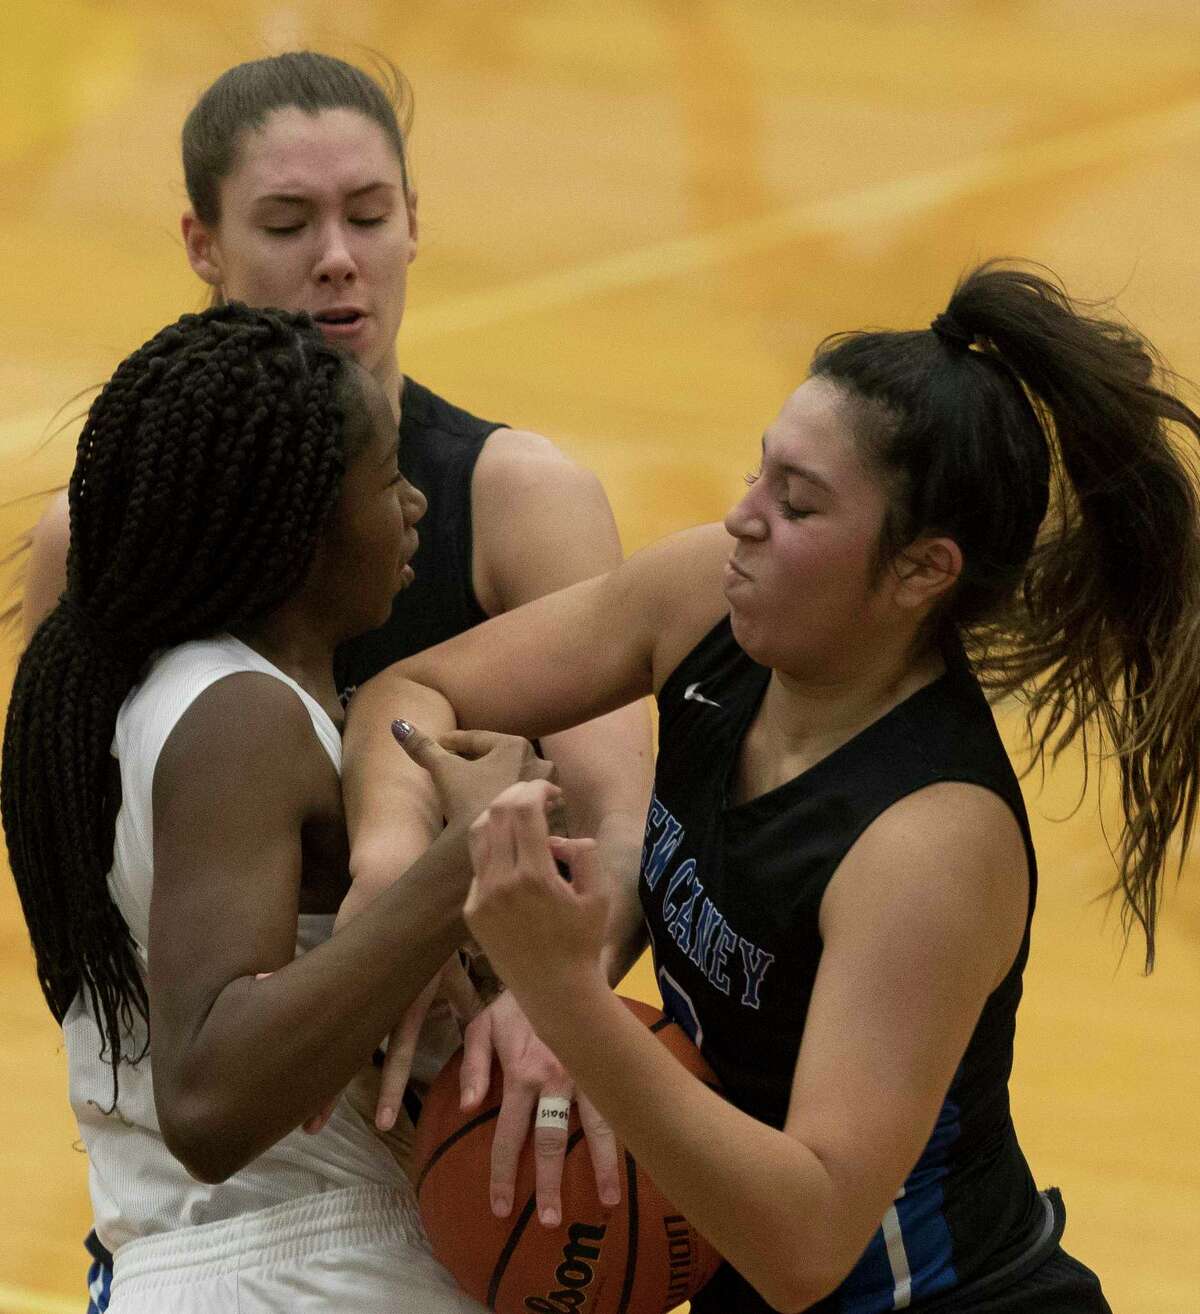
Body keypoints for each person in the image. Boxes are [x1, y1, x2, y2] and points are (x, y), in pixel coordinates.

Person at [358, 263, 1200, 1311]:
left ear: (920, 572)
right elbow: (414, 688)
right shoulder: (706, 602)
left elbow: (807, 1242)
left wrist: (566, 995)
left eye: (796, 504)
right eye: (761, 474)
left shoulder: (930, 841)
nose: (743, 518)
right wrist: (393, 865)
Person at [16, 50, 653, 1307]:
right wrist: (438, 883)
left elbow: (624, 824)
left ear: (417, 219)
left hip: (341, 1200)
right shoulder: (160, 604)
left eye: (369, 213)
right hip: (274, 1225)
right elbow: (93, 922)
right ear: (202, 242)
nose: (339, 257)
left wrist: (556, 1003)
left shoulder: (517, 499)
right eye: (290, 222)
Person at [1, 302, 555, 1311]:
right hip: (304, 1270)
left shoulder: (126, 691)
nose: (416, 506)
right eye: (388, 480)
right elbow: (209, 1099)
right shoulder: (237, 716)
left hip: (200, 1262)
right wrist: (466, 856)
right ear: (298, 528)